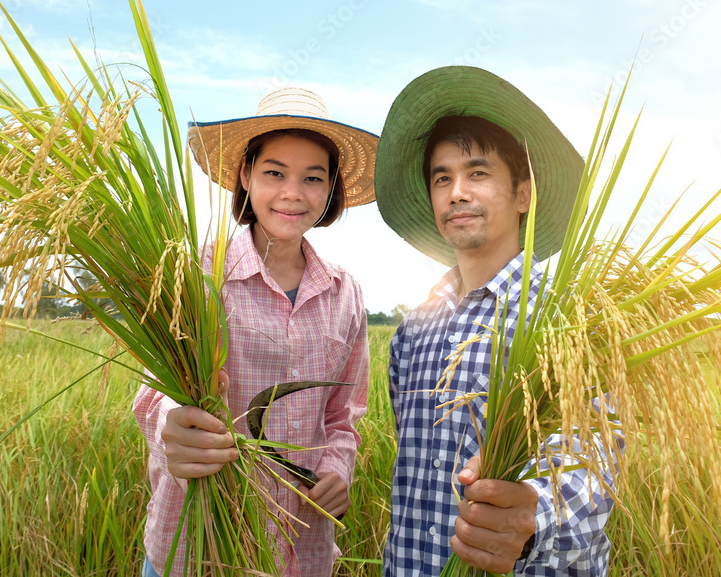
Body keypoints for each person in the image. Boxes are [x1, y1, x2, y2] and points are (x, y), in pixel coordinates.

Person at [374, 66, 616, 576]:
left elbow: (593, 461)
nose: (457, 191)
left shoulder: (565, 319)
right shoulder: (412, 332)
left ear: (523, 194)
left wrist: (534, 516)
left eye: (477, 173)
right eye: (442, 178)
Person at [133, 87, 377, 577]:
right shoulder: (198, 274)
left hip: (303, 550)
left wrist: (337, 468)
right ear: (245, 175)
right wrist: (173, 425)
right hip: (199, 549)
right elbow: (152, 399)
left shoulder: (345, 293)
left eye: (313, 177)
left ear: (330, 190)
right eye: (274, 173)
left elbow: (343, 416)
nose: (293, 192)